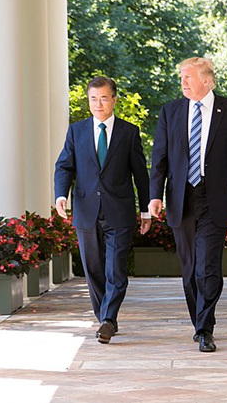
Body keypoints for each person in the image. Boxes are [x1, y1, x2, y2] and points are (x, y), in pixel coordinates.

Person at [149, 57, 227, 352]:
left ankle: (205, 328)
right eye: (181, 77)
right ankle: (199, 320)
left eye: (188, 77)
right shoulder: (170, 111)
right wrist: (155, 195)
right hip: (181, 198)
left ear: (207, 80)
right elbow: (159, 158)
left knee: (207, 267)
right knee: (190, 267)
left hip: (216, 197)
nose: (182, 82)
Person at [54, 76, 151, 344]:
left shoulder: (128, 132)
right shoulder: (77, 131)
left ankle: (108, 319)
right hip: (86, 212)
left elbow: (140, 175)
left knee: (115, 270)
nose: (98, 104)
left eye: (104, 98)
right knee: (94, 270)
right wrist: (61, 195)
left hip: (119, 212)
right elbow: (64, 166)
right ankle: (105, 319)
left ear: (114, 100)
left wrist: (145, 210)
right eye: (93, 99)